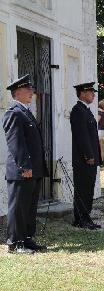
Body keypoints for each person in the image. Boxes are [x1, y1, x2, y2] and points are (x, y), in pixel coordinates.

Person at [2, 74, 48, 254]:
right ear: (18, 92)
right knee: (18, 207)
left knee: (29, 206)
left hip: (33, 170)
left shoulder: (26, 112)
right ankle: (14, 243)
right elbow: (16, 143)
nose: (32, 92)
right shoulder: (13, 113)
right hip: (22, 171)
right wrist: (25, 167)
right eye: (28, 89)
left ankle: (27, 238)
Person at [70, 82, 102, 230]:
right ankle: (80, 218)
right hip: (83, 159)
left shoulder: (86, 110)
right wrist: (88, 155)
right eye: (90, 92)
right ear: (82, 93)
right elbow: (81, 136)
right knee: (82, 189)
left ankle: (86, 217)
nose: (93, 94)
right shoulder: (78, 110)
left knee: (88, 189)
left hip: (91, 159)